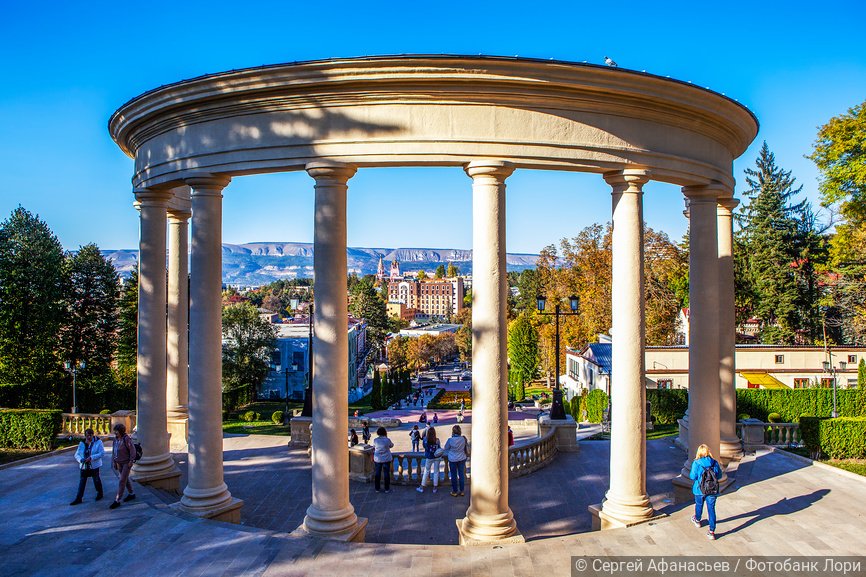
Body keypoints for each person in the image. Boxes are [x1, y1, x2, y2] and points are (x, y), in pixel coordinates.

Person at [689, 443, 723, 540]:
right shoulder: (714, 462)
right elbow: (719, 475)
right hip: (712, 489)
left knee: (699, 505)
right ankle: (711, 531)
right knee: (711, 509)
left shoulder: (696, 463)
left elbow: (692, 476)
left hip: (699, 489)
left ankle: (697, 520)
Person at [70, 428, 104, 505]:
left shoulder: (98, 442)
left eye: (90, 435)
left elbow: (101, 453)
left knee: (96, 480)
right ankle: (79, 498)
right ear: (85, 436)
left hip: (94, 466)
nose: (89, 437)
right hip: (84, 466)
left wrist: (91, 458)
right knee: (82, 482)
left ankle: (100, 493)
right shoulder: (82, 443)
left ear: (93, 435)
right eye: (87, 435)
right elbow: (76, 454)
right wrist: (80, 460)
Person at [109, 423, 136, 509]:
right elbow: (114, 451)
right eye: (115, 431)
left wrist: (131, 460)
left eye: (116, 431)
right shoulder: (115, 440)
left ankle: (117, 500)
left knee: (122, 480)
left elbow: (132, 450)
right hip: (118, 463)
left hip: (126, 463)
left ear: (121, 431)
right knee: (125, 479)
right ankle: (131, 493)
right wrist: (114, 461)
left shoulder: (126, 439)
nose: (115, 433)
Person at [443, 424, 469, 497]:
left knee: (454, 475)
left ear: (453, 432)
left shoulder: (450, 440)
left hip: (453, 459)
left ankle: (455, 491)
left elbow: (446, 448)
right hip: (461, 458)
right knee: (461, 475)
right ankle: (462, 491)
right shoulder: (463, 439)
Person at [417, 427, 442, 493]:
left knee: (426, 471)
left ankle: (422, 487)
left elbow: (424, 447)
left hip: (429, 457)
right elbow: (439, 448)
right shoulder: (437, 440)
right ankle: (435, 488)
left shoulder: (425, 440)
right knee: (436, 472)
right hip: (437, 457)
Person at [372, 427, 394, 493]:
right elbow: (391, 445)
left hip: (378, 459)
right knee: (386, 474)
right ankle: (387, 488)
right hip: (386, 459)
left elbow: (373, 447)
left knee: (377, 474)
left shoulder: (375, 440)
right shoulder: (387, 440)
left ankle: (377, 488)